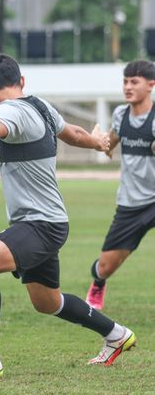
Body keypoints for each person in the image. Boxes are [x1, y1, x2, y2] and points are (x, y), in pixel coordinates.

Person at [0, 53, 135, 379]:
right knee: (46, 301)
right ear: (21, 82)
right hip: (48, 221)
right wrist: (96, 143)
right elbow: (74, 133)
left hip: (40, 225)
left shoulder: (8, 110)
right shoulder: (40, 106)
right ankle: (117, 334)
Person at [85, 60, 155, 310]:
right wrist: (101, 143)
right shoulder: (120, 114)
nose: (127, 87)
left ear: (151, 85)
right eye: (125, 81)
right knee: (105, 267)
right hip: (131, 203)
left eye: (134, 82)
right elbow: (112, 141)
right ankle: (98, 283)